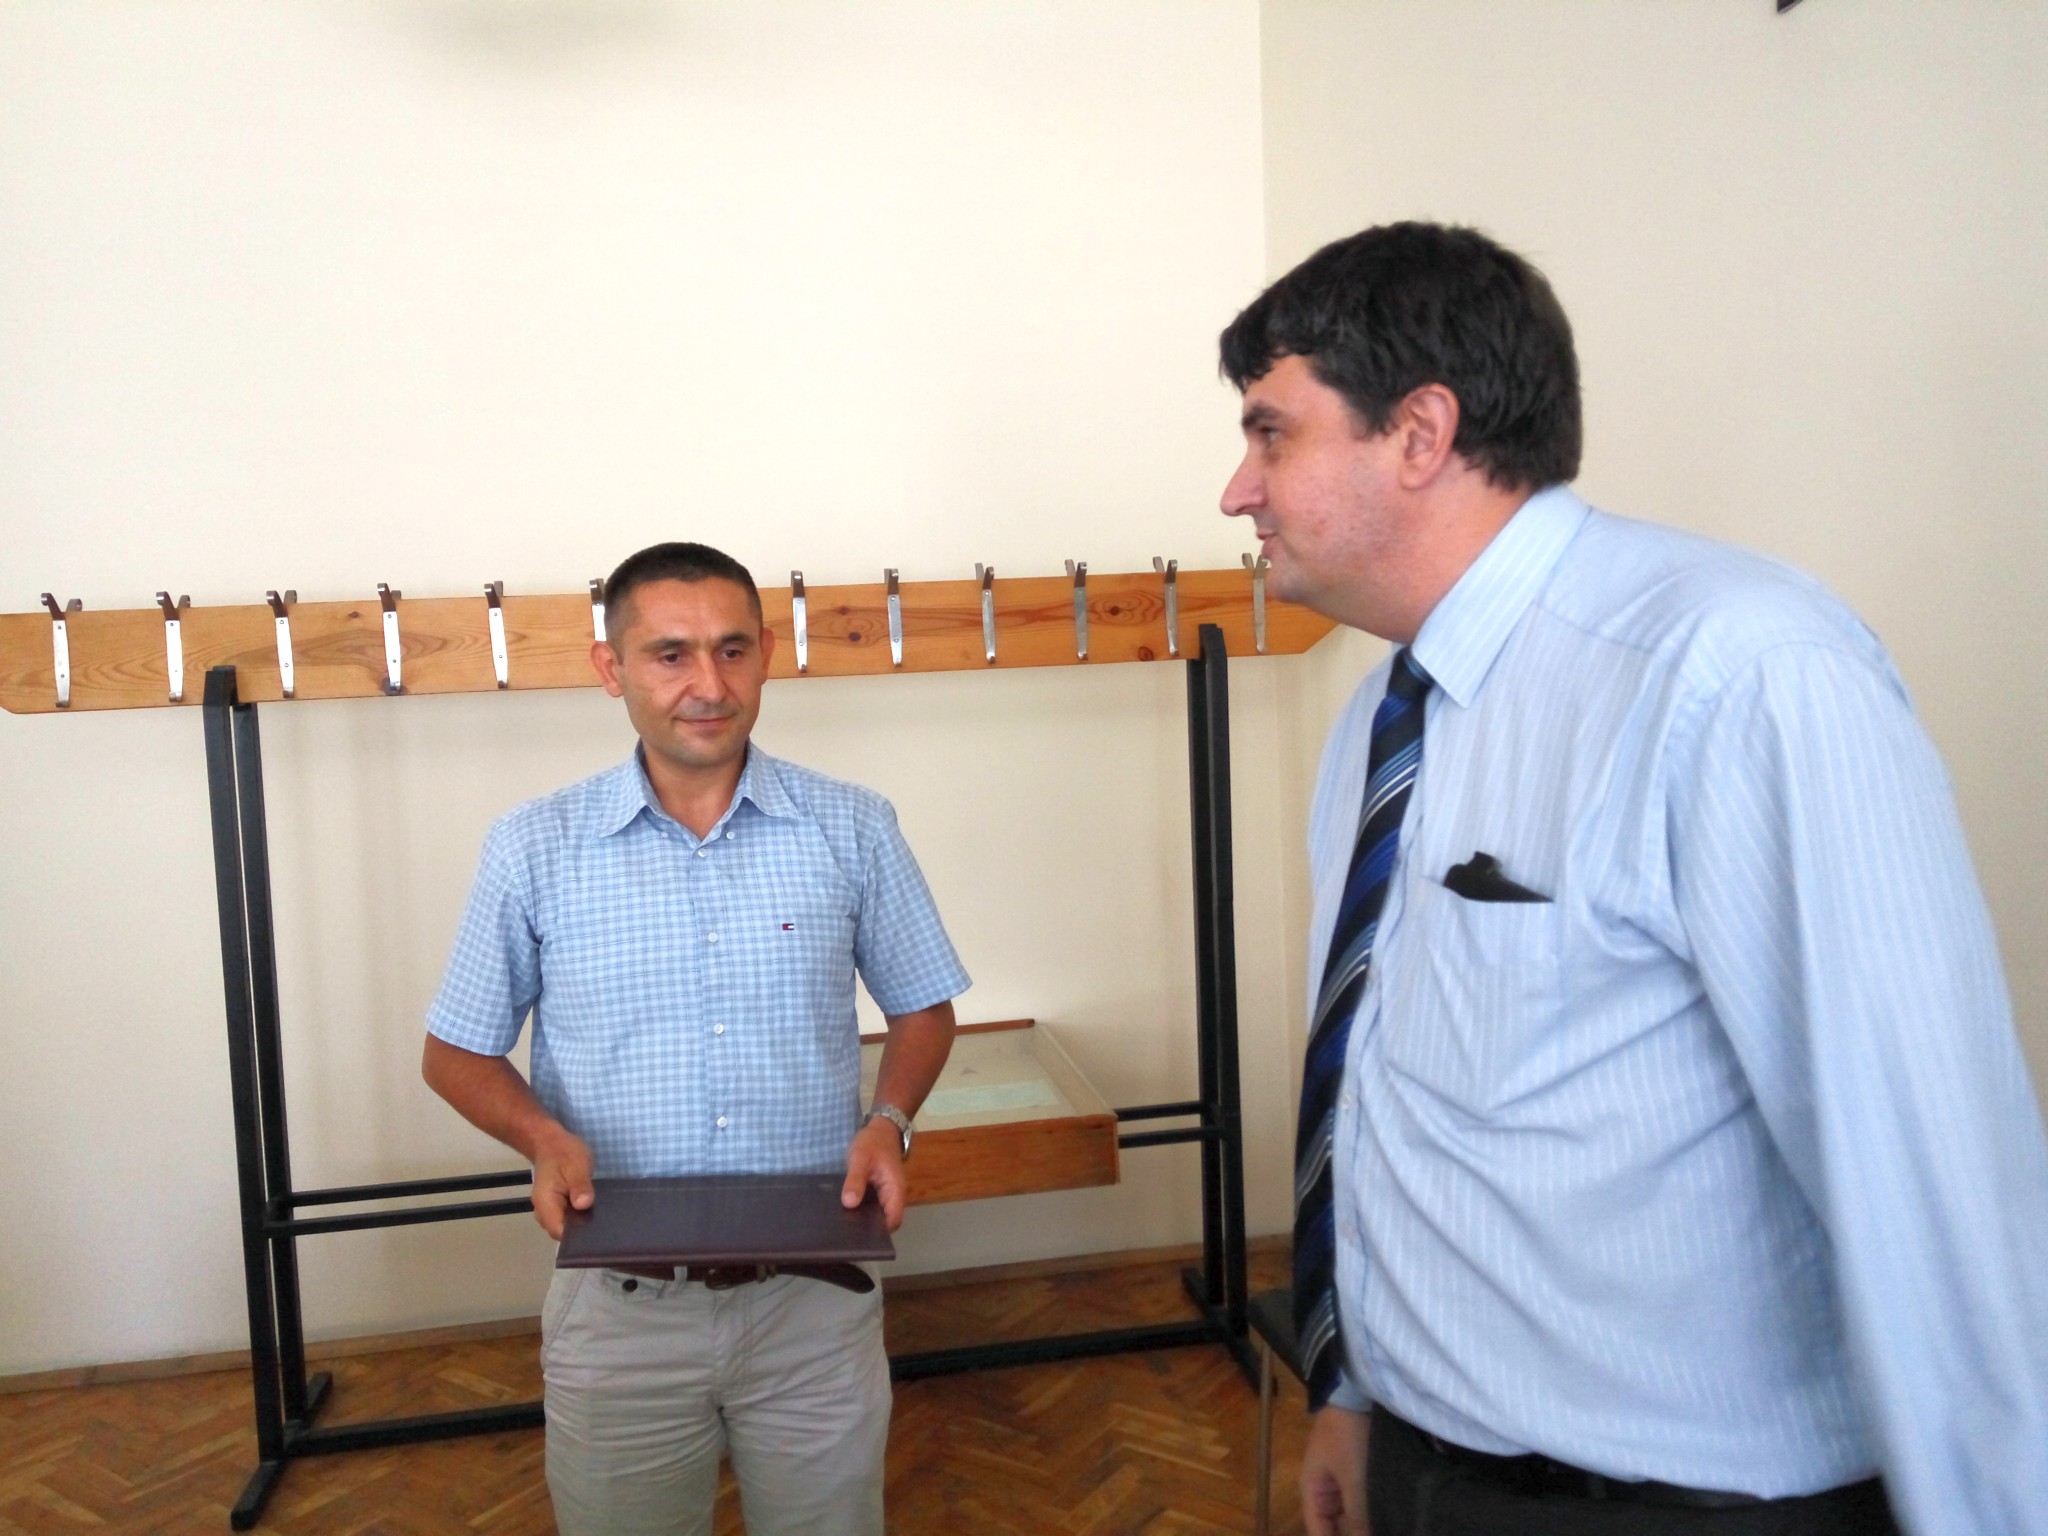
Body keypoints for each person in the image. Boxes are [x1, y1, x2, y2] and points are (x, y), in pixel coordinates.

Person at [1217, 222, 2048, 1536]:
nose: (1237, 491)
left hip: (1681, 1505)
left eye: (1271, 435)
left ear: (1419, 433)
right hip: (1430, 1467)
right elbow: (1380, 1104)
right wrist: (1353, 1394)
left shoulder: (1737, 673)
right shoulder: (1383, 721)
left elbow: (1927, 1175)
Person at [421, 541, 967, 1536]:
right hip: (618, 1312)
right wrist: (543, 1140)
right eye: (670, 655)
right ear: (611, 668)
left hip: (814, 1303)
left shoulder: (854, 826)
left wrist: (889, 1119)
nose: (707, 686)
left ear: (765, 657)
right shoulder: (534, 846)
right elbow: (454, 1052)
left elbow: (923, 1007)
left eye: (731, 650)